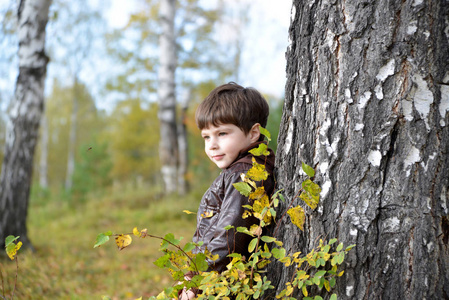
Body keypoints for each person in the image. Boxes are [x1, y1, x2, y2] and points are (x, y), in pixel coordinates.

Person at [179, 82, 276, 299]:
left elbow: (228, 238)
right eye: (206, 136)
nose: (212, 145)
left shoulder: (244, 174)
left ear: (253, 133)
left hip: (226, 283)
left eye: (222, 133)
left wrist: (196, 282)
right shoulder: (240, 170)